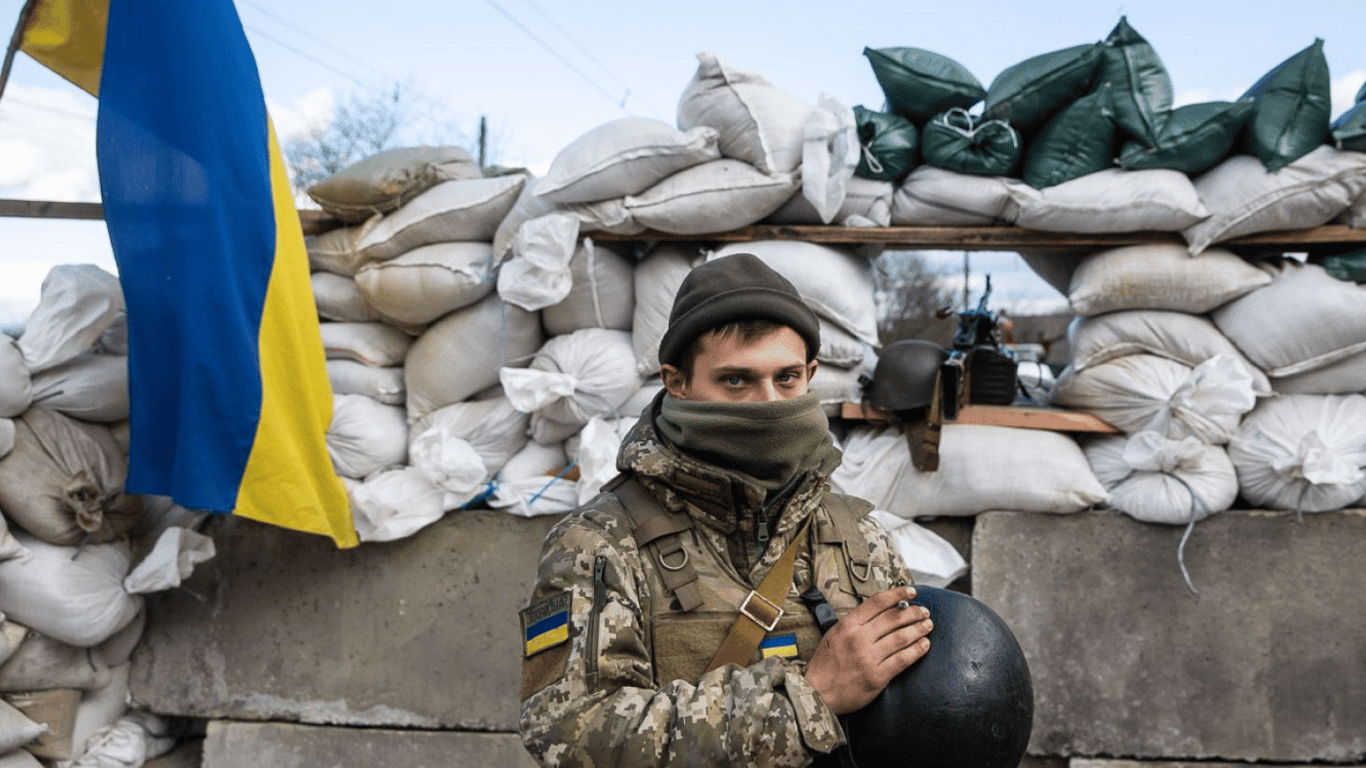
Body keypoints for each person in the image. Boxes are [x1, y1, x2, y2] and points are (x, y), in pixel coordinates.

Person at [518, 252, 933, 767]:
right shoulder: (598, 543)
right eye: (736, 380)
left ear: (811, 375)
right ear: (677, 382)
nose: (768, 404)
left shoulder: (856, 537)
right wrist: (807, 700)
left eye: (786, 379)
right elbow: (570, 732)